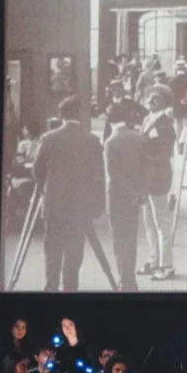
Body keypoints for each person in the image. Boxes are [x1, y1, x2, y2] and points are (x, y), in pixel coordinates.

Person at [31, 94, 106, 292]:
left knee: (52, 252)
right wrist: (97, 206)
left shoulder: (48, 139)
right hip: (80, 208)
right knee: (74, 255)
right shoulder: (92, 141)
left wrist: (47, 189)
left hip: (54, 206)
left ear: (60, 115)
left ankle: (51, 291)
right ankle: (70, 292)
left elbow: (37, 171)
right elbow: (99, 178)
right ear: (79, 114)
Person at [104, 102, 147, 291]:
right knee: (131, 238)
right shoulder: (139, 138)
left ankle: (125, 279)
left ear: (109, 120)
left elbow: (114, 174)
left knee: (119, 240)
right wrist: (140, 192)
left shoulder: (110, 142)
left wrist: (130, 192)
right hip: (135, 197)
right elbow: (147, 167)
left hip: (117, 197)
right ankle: (130, 279)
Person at [139, 85, 177, 282]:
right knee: (149, 222)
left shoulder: (165, 125)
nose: (150, 100)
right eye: (149, 97)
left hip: (158, 176)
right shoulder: (147, 120)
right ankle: (154, 261)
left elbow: (165, 154)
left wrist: (146, 159)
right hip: (146, 177)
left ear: (164, 103)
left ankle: (166, 265)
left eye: (156, 98)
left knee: (161, 222)